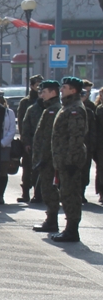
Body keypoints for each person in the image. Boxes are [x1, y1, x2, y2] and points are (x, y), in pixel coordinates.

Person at [48, 77, 89, 242]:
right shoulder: (68, 106)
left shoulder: (75, 109)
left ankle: (72, 230)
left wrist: (71, 160)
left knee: (71, 194)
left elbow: (76, 137)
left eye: (64, 87)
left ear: (73, 90)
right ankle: (69, 228)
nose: (61, 90)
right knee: (65, 192)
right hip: (63, 159)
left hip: (70, 160)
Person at [31, 80, 63, 234]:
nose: (41, 95)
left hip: (49, 159)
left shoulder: (53, 110)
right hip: (45, 158)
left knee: (50, 190)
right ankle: (50, 220)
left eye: (44, 92)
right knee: (46, 190)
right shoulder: (49, 108)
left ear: (52, 92)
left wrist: (43, 158)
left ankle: (52, 221)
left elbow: (49, 137)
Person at [0, 91, 17, 205]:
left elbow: (12, 130)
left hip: (4, 146)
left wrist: (3, 142)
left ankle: (0, 195)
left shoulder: (9, 112)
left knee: (3, 171)